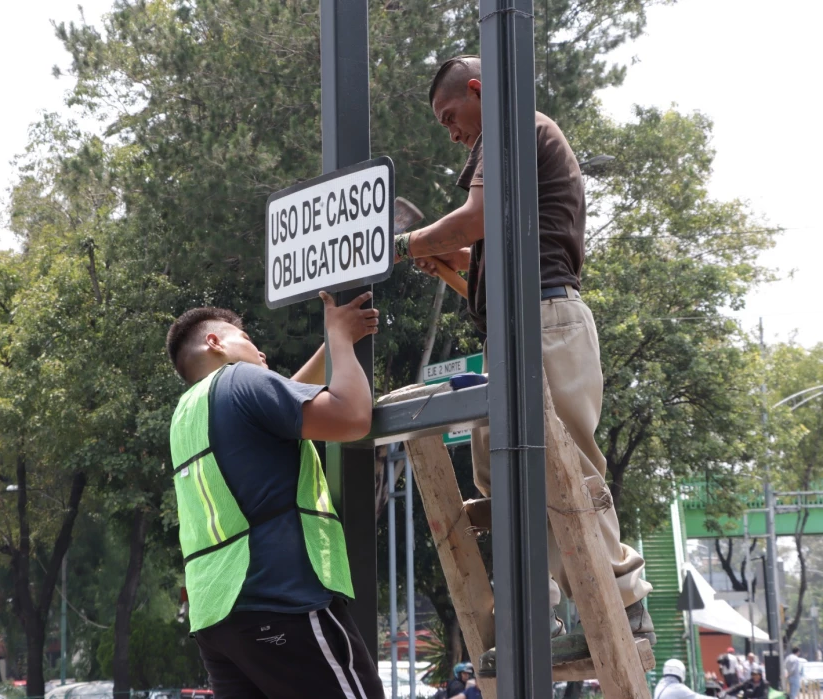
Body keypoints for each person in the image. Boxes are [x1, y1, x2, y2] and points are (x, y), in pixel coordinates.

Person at [394, 53, 653, 672]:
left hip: (544, 321)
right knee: (510, 478)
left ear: (479, 90)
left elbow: (475, 219)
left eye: (450, 116)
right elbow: (488, 250)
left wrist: (401, 245)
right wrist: (446, 258)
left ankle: (622, 604)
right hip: (517, 328)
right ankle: (542, 615)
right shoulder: (511, 146)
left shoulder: (512, 126)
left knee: (566, 466)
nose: (451, 133)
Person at [166, 291, 384, 698]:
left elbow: (286, 402)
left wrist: (333, 340)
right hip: (282, 598)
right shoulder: (240, 380)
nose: (260, 351)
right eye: (247, 338)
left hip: (218, 620)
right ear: (215, 342)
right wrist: (339, 339)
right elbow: (352, 418)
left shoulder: (187, 414)